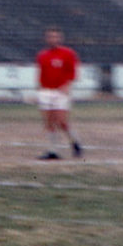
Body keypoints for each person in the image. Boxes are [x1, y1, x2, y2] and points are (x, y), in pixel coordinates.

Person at [35, 26, 82, 159]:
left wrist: (67, 85)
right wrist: (39, 89)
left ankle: (75, 142)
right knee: (49, 122)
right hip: (46, 91)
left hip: (60, 92)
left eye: (55, 36)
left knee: (62, 122)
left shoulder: (67, 53)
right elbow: (41, 74)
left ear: (60, 38)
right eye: (50, 37)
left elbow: (73, 73)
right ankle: (53, 151)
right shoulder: (42, 55)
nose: (53, 39)